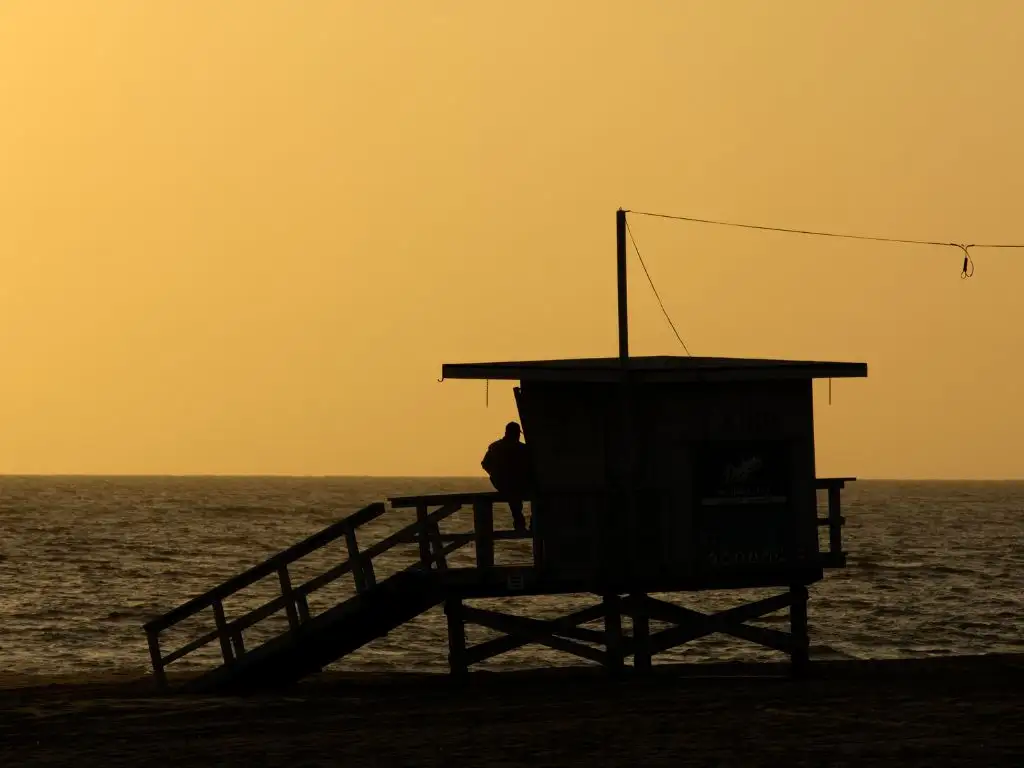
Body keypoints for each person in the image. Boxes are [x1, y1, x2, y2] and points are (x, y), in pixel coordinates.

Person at [481, 421, 532, 532]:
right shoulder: (522, 449)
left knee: (514, 500)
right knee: (523, 496)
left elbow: (484, 464)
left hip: (501, 483)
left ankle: (520, 522)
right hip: (517, 484)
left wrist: (494, 474)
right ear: (517, 434)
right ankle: (531, 523)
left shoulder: (495, 446)